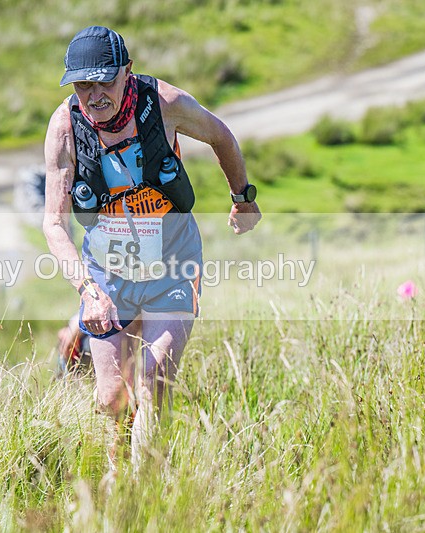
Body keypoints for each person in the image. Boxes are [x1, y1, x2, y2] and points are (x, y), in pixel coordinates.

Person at [43, 26, 261, 468]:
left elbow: (220, 135)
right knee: (110, 399)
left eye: (106, 80)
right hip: (109, 273)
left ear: (128, 71)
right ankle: (116, 473)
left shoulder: (165, 104)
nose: (96, 94)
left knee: (154, 377)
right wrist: (88, 291)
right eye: (84, 84)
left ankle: (145, 492)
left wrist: (243, 198)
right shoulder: (64, 128)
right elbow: (54, 224)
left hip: (173, 264)